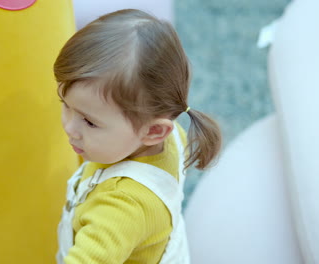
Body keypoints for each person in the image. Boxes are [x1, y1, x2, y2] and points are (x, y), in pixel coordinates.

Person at [54, 9, 222, 264]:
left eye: (89, 121)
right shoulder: (170, 134)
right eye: (65, 104)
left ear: (153, 131)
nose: (69, 127)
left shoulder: (123, 207)